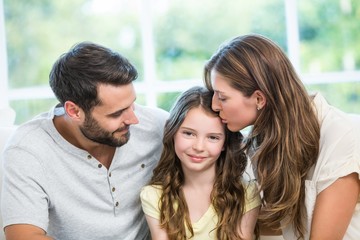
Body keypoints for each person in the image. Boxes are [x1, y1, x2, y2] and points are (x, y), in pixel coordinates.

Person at [1, 42, 169, 240]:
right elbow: (24, 236)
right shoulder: (28, 150)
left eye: (132, 104)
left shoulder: (157, 126)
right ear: (74, 111)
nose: (133, 119)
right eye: (117, 113)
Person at [203, 33, 360, 240]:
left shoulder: (342, 137)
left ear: (259, 98)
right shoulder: (264, 142)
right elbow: (278, 223)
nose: (214, 105)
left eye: (222, 97)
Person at [140, 86, 261, 240]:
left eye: (213, 137)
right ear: (173, 133)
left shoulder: (245, 194)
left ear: (224, 143)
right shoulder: (155, 196)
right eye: (189, 133)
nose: (198, 147)